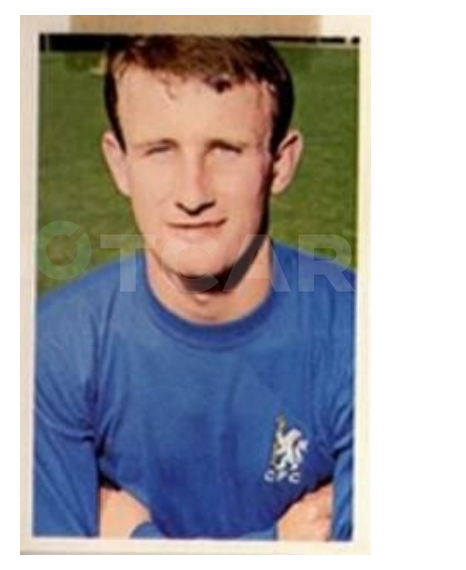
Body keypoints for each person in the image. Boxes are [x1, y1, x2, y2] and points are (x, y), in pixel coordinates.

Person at [33, 35, 355, 541]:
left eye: (225, 150)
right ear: (119, 164)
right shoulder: (54, 347)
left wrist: (134, 541)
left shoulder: (361, 334)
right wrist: (279, 545)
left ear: (280, 162)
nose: (192, 194)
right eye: (159, 151)